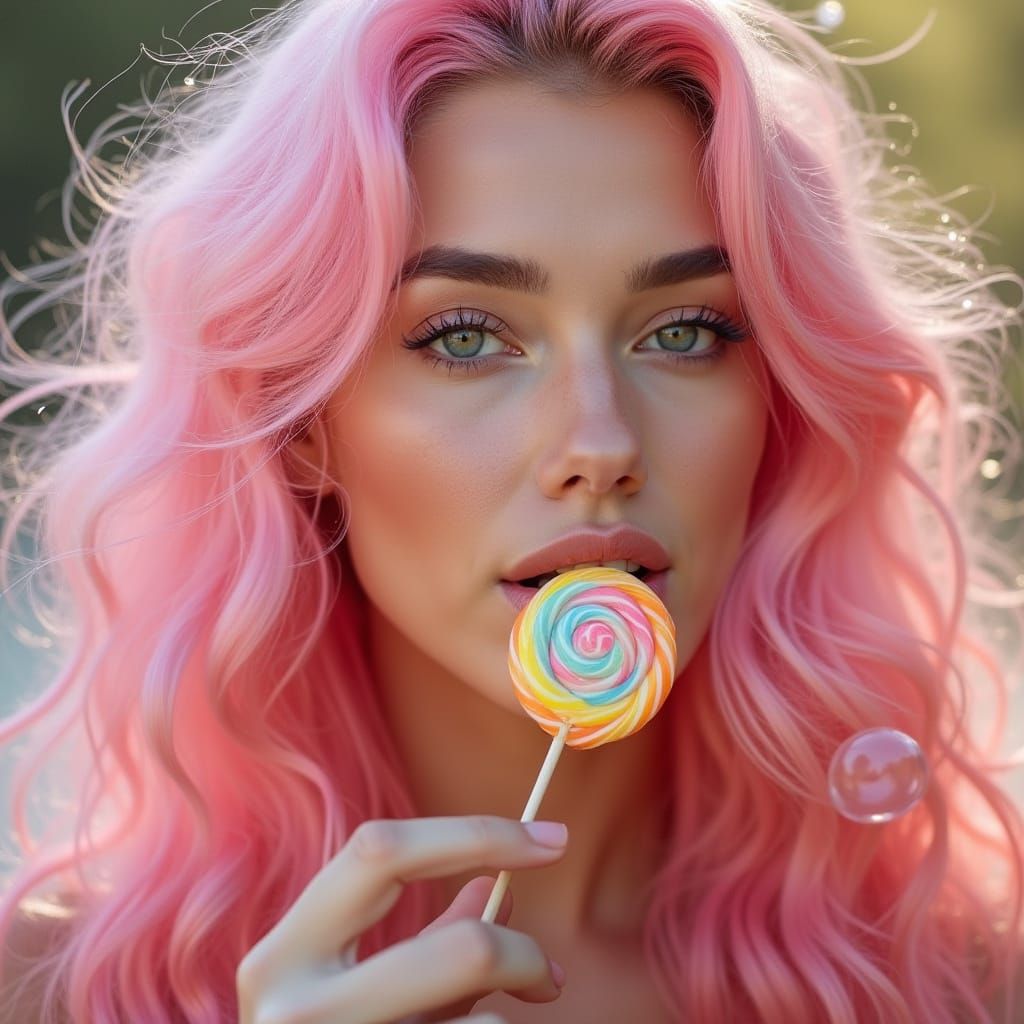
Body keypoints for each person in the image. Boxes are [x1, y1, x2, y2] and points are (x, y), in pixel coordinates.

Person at [0, 0, 1022, 1020]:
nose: (602, 443)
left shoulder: (966, 983)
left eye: (684, 332)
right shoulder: (48, 989)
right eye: (465, 337)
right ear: (305, 426)